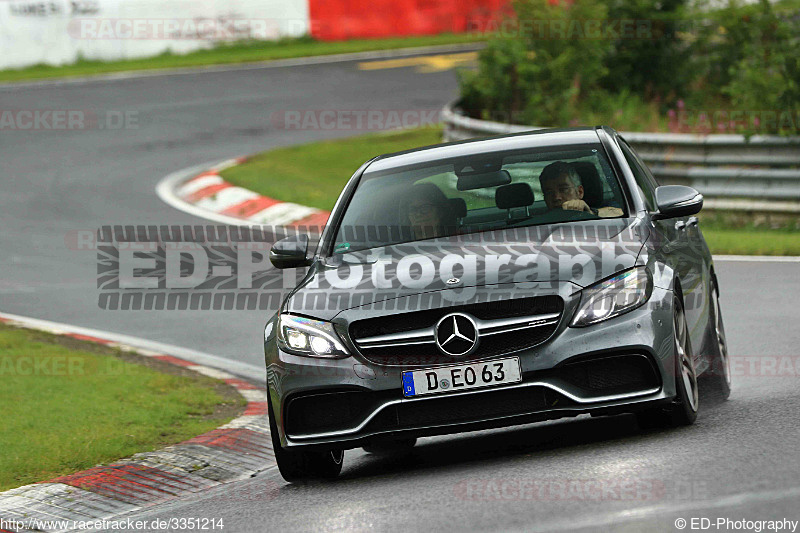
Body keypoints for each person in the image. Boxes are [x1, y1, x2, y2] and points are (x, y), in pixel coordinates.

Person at [538, 161, 623, 217]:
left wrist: (590, 213)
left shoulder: (610, 209)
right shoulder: (535, 223)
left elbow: (623, 214)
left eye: (563, 189)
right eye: (549, 192)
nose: (556, 197)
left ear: (580, 192)